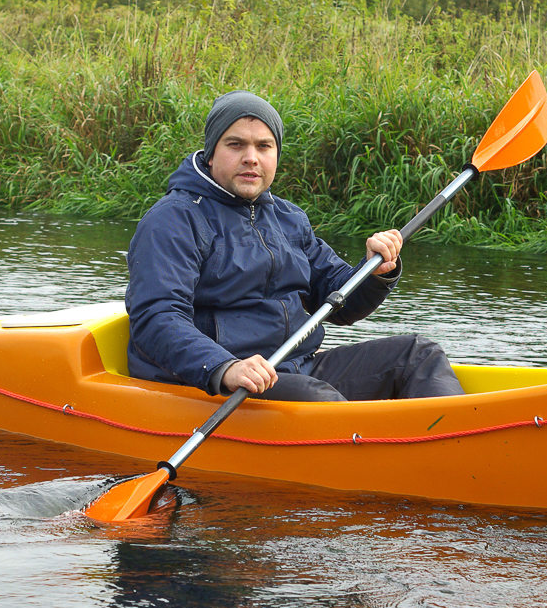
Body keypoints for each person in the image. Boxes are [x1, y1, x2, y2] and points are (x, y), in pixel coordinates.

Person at [125, 90, 465, 403]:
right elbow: (157, 318)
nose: (251, 158)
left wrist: (374, 270)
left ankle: (451, 440)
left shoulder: (288, 218)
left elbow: (339, 301)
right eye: (235, 145)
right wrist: (224, 367)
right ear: (212, 154)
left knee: (419, 355)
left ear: (276, 155)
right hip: (214, 382)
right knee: (318, 398)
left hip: (294, 367)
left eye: (264, 146)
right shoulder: (173, 219)